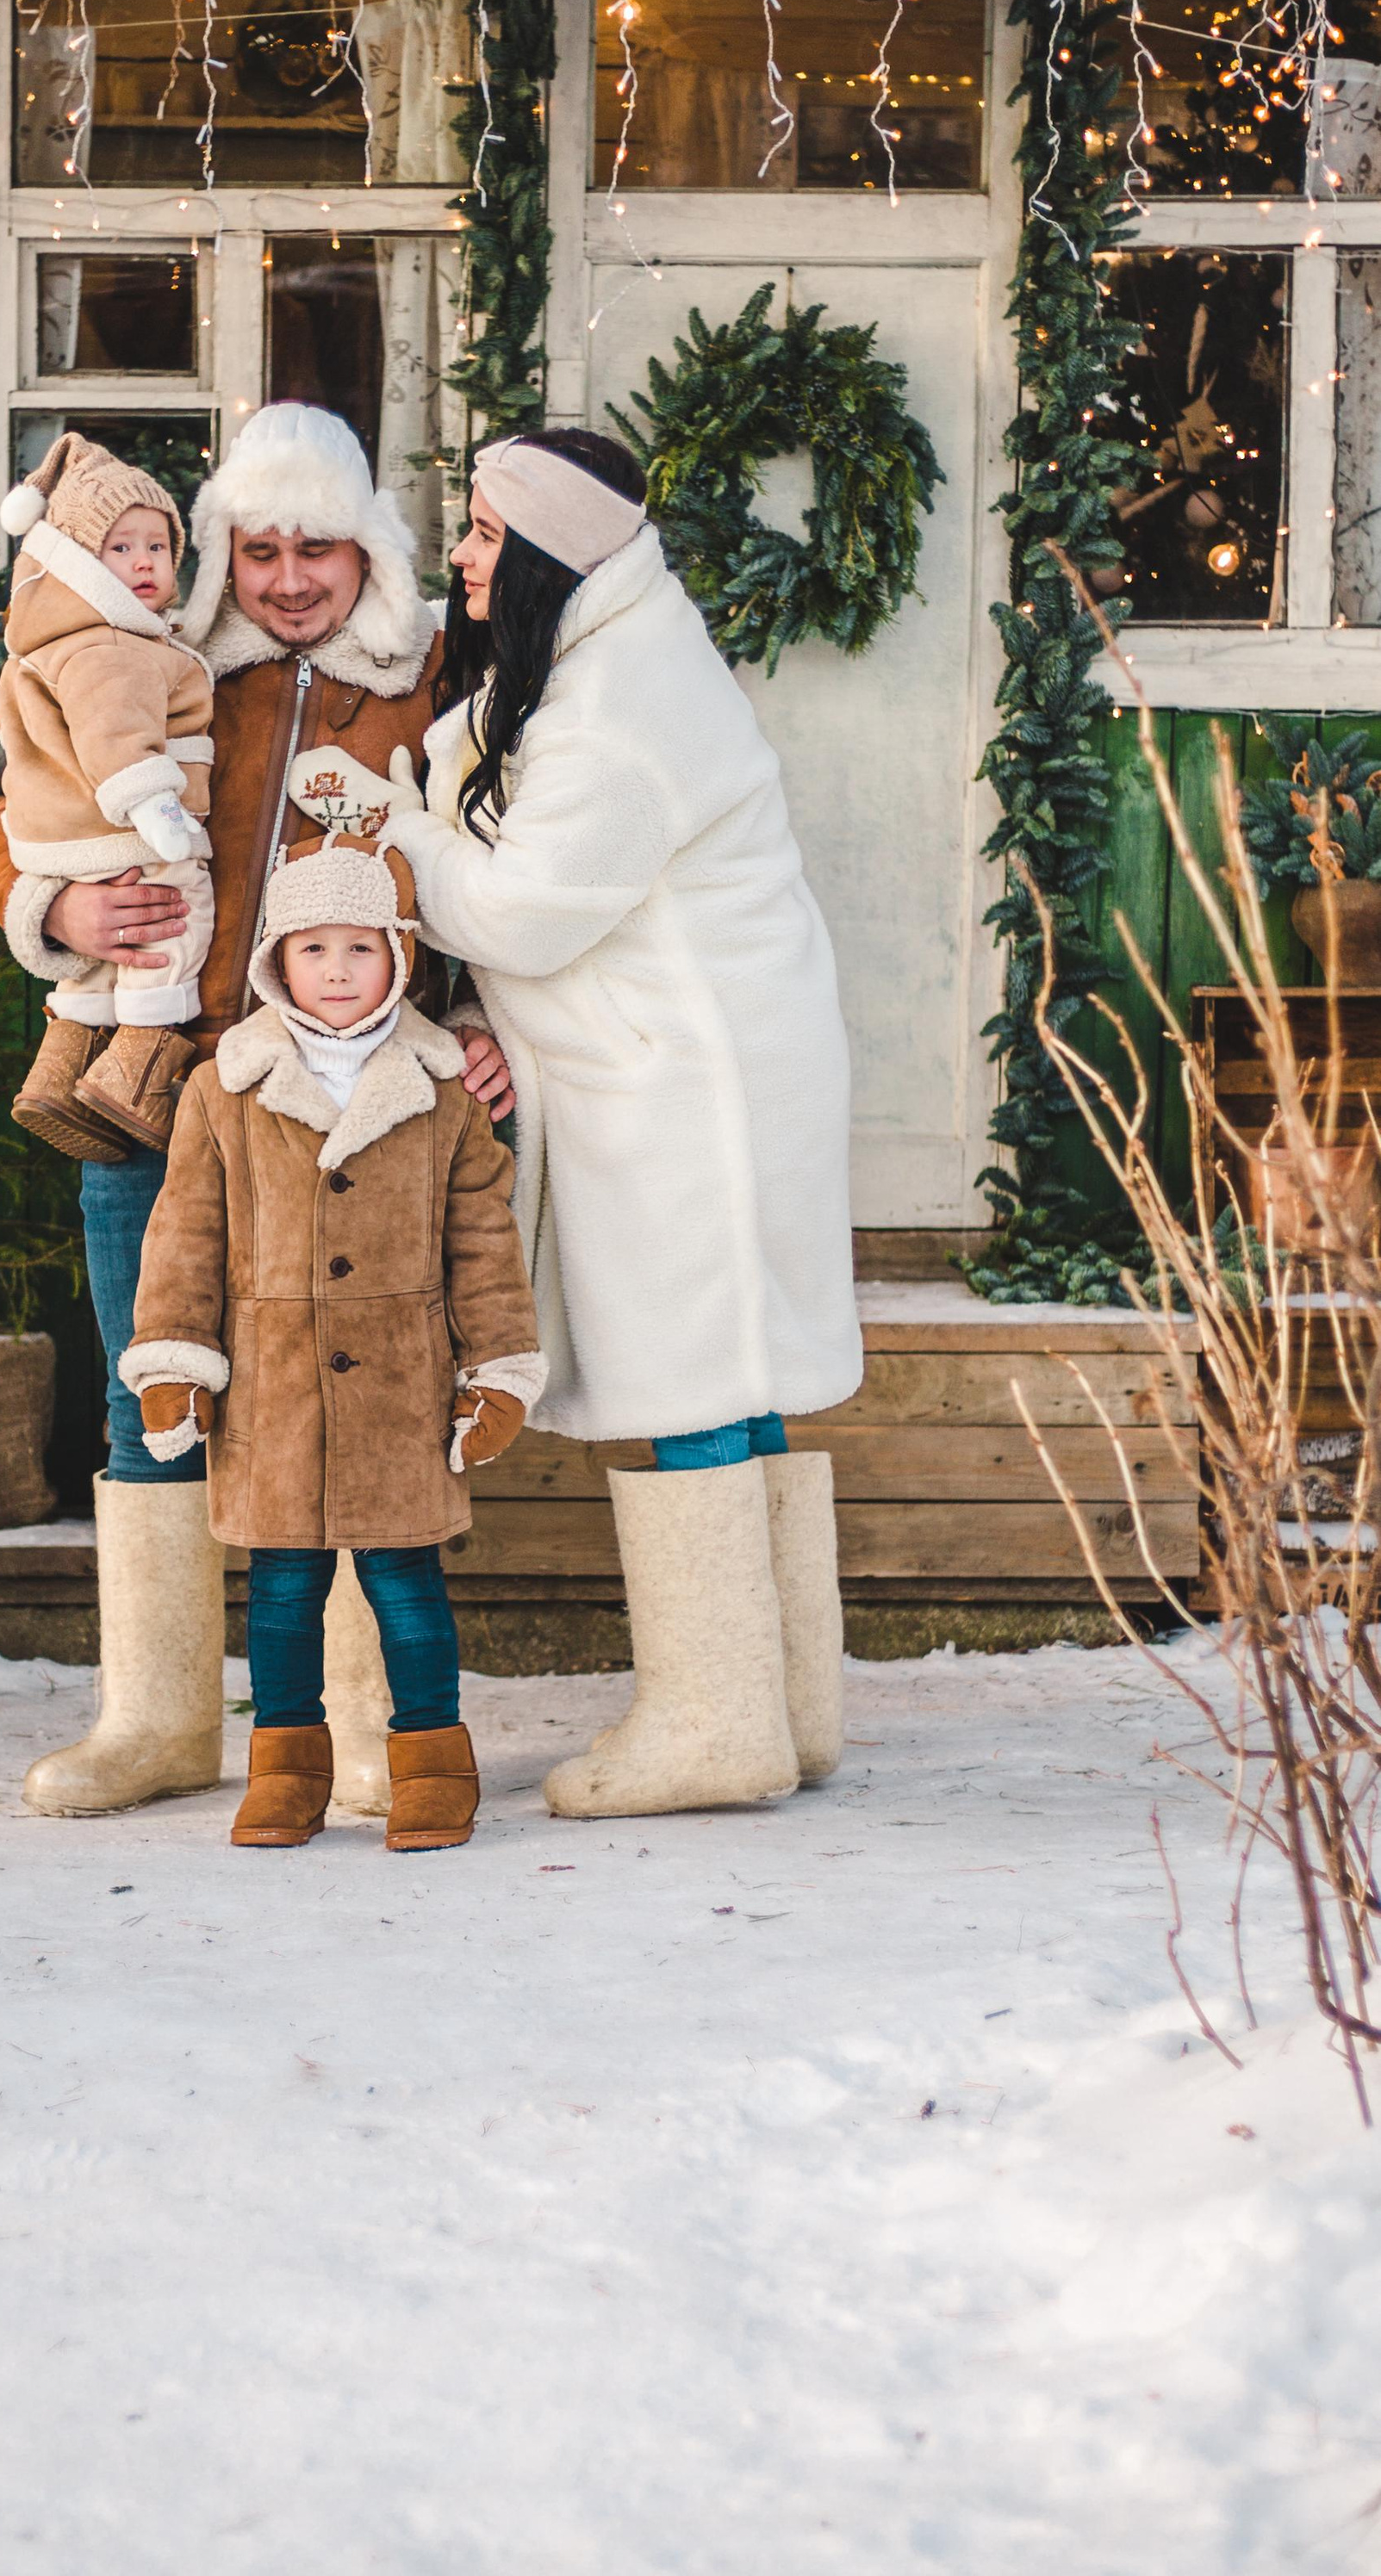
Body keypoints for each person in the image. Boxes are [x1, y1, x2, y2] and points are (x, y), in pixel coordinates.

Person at [0, 401, 512, 1820]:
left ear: (366, 557)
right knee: (141, 1389)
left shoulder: (427, 690)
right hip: (157, 1086)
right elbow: (22, 808)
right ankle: (154, 1719)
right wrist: (58, 901)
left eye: (315, 550)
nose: (285, 579)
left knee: (364, 1392)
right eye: (259, 548)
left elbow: (498, 872)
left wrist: (478, 1021)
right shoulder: (149, 661)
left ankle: (345, 1727)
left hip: (359, 1106)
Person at [358, 424, 863, 1821]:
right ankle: (786, 1708)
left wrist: (398, 832)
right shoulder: (600, 659)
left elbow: (514, 907)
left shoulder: (620, 708)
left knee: (689, 1372)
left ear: (544, 553)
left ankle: (713, 1725)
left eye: (479, 532)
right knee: (735, 1374)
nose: (459, 553)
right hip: (703, 1068)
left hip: (684, 1090)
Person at [121, 835, 544, 1850]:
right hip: (275, 1396)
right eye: (315, 949)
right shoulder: (224, 1089)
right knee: (279, 1597)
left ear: (398, 959)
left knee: (407, 1592)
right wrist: (176, 1358)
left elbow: (484, 1241)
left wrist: (495, 1374)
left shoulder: (440, 1095)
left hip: (403, 1389)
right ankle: (284, 1769)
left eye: (361, 948)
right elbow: (184, 1232)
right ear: (278, 961)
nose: (340, 970)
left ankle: (434, 1764)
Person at [0, 430, 216, 1156]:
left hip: (72, 842)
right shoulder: (115, 646)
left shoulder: (70, 641)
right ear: (81, 562)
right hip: (135, 833)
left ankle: (60, 1068)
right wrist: (53, 909)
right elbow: (117, 740)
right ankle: (135, 1073)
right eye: (122, 549)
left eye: (158, 547)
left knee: (101, 970)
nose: (145, 562)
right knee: (177, 919)